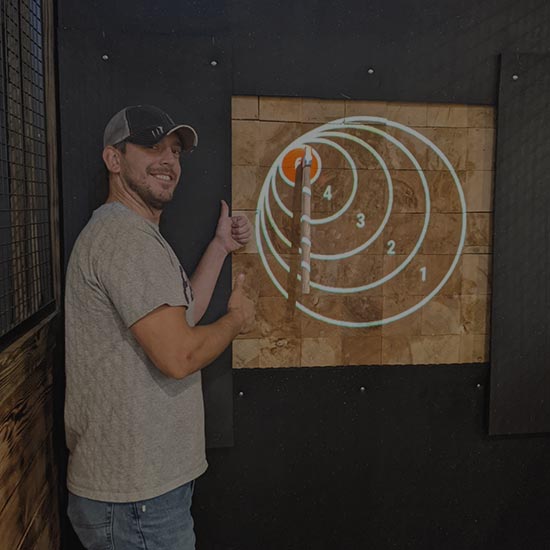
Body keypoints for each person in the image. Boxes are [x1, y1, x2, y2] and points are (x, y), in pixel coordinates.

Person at [64, 104, 255, 550]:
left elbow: (179, 316)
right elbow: (179, 354)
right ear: (113, 159)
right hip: (137, 499)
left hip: (141, 495)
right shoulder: (125, 239)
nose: (168, 160)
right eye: (152, 146)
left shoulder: (134, 235)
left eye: (175, 150)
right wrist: (236, 321)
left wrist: (221, 246)